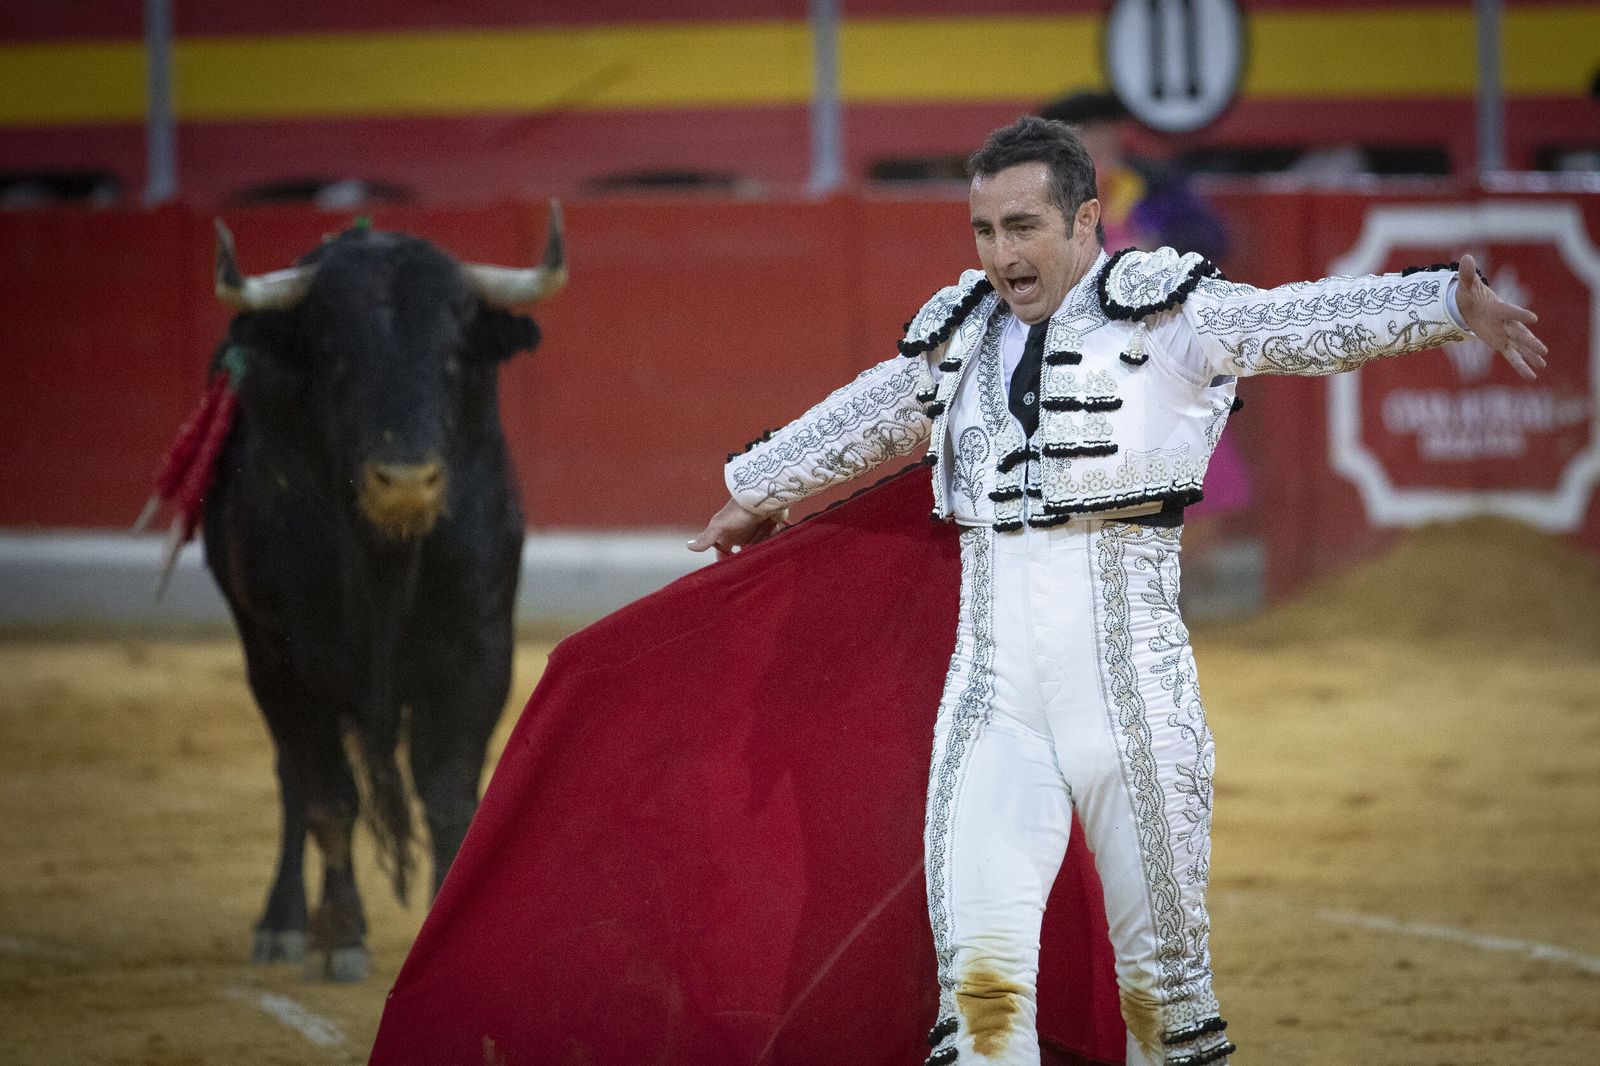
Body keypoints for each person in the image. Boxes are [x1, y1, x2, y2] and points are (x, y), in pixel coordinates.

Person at [689, 116, 1546, 1066]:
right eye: (984, 231)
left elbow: (1289, 324)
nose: (1001, 254)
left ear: (1086, 218)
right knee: (980, 992)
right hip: (991, 703)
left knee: (1166, 1001)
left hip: (1131, 695)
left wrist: (1443, 306)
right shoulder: (961, 336)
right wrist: (751, 490)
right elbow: (870, 412)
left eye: (1023, 228)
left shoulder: (1164, 316)